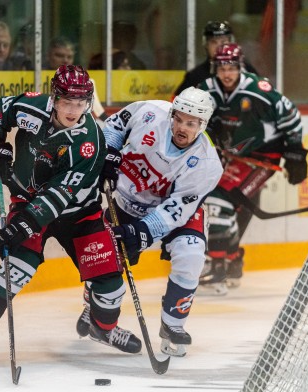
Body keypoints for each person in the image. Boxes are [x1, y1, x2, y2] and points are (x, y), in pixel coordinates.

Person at [0, 65, 142, 367]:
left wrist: (19, 227)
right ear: (54, 97)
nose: (74, 110)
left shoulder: (89, 141)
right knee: (14, 269)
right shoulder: (31, 107)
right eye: (67, 102)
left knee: (111, 288)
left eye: (81, 103)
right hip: (28, 198)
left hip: (80, 213)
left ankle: (102, 329)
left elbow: (56, 197)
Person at [75, 87, 223, 357]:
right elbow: (116, 124)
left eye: (191, 124)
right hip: (129, 199)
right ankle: (93, 307)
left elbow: (177, 209)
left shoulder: (207, 163)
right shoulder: (150, 112)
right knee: (105, 257)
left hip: (177, 211)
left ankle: (173, 326)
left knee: (191, 254)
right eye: (179, 119)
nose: (182, 127)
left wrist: (143, 232)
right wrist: (109, 152)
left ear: (203, 125)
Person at [197, 43, 307, 295]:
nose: (227, 73)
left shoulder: (258, 89)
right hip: (233, 156)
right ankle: (232, 261)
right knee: (216, 205)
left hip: (263, 157)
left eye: (232, 68)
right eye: (222, 67)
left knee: (218, 202)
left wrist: (295, 153)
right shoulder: (206, 90)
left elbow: (290, 116)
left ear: (240, 68)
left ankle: (219, 267)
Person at [174, 20, 257, 96]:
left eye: (223, 42)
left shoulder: (247, 70)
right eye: (214, 42)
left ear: (232, 42)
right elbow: (175, 103)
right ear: (206, 44)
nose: (219, 46)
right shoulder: (195, 76)